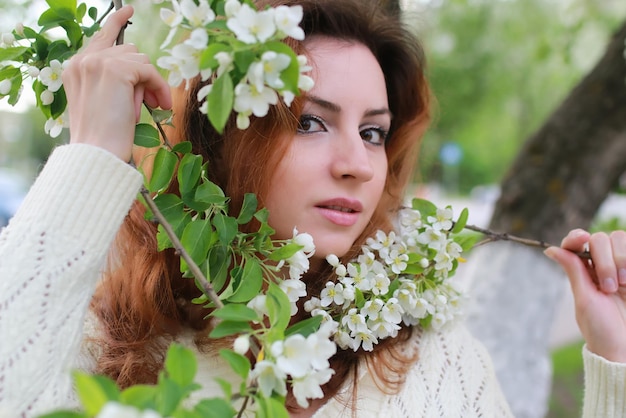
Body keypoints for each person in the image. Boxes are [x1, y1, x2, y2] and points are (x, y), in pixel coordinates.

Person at [0, 0, 625, 417]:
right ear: (223, 139)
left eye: (374, 132)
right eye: (311, 122)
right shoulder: (111, 343)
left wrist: (615, 358)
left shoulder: (432, 362)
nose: (357, 163)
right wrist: (92, 157)